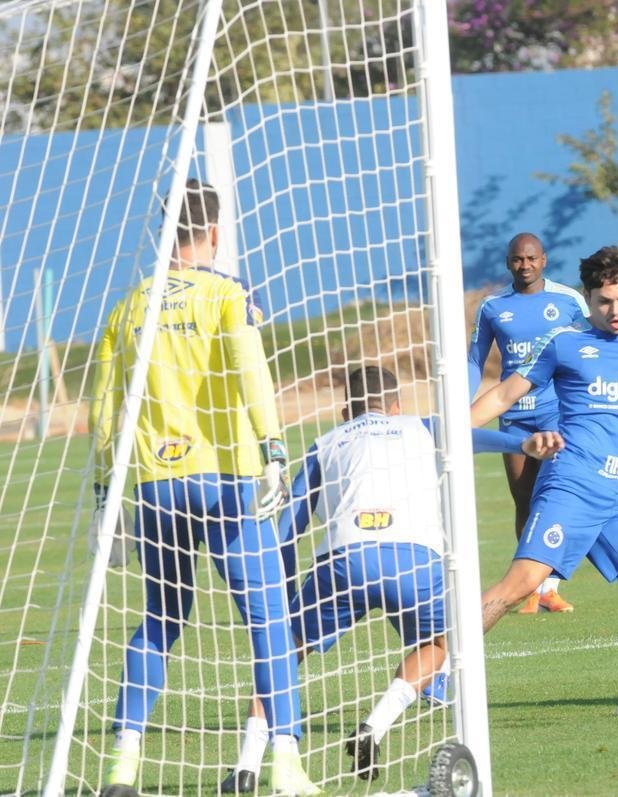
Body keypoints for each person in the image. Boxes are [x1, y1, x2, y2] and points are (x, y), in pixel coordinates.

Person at [221, 366, 562, 792]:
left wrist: (284, 599)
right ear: (396, 404)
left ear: (346, 410)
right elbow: (466, 436)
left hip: (344, 558)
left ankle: (247, 764)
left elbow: (288, 532)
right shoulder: (419, 426)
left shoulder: (324, 442)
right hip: (414, 557)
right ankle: (374, 725)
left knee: (282, 653)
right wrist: (522, 444)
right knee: (442, 643)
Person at [89, 180, 316, 796]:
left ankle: (123, 762)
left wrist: (105, 488)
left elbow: (106, 406)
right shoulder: (226, 294)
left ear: (162, 231)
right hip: (227, 482)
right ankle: (287, 765)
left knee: (161, 617)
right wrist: (273, 448)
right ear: (215, 232)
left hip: (156, 488)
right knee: (269, 621)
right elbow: (250, 369)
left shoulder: (129, 304)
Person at [471, 245, 618, 716]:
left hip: (617, 495)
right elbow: (503, 395)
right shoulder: (563, 342)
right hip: (571, 486)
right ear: (588, 298)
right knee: (520, 585)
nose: (615, 311)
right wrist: (453, 428)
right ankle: (436, 665)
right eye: (604, 302)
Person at [468, 232, 589, 614]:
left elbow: (590, 348)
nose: (525, 266)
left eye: (532, 259)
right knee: (523, 499)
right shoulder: (492, 307)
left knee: (553, 498)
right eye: (518, 260)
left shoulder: (569, 301)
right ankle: (529, 591)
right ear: (509, 263)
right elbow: (475, 360)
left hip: (555, 413)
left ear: (544, 260)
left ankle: (548, 587)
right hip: (515, 419)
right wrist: (463, 402)